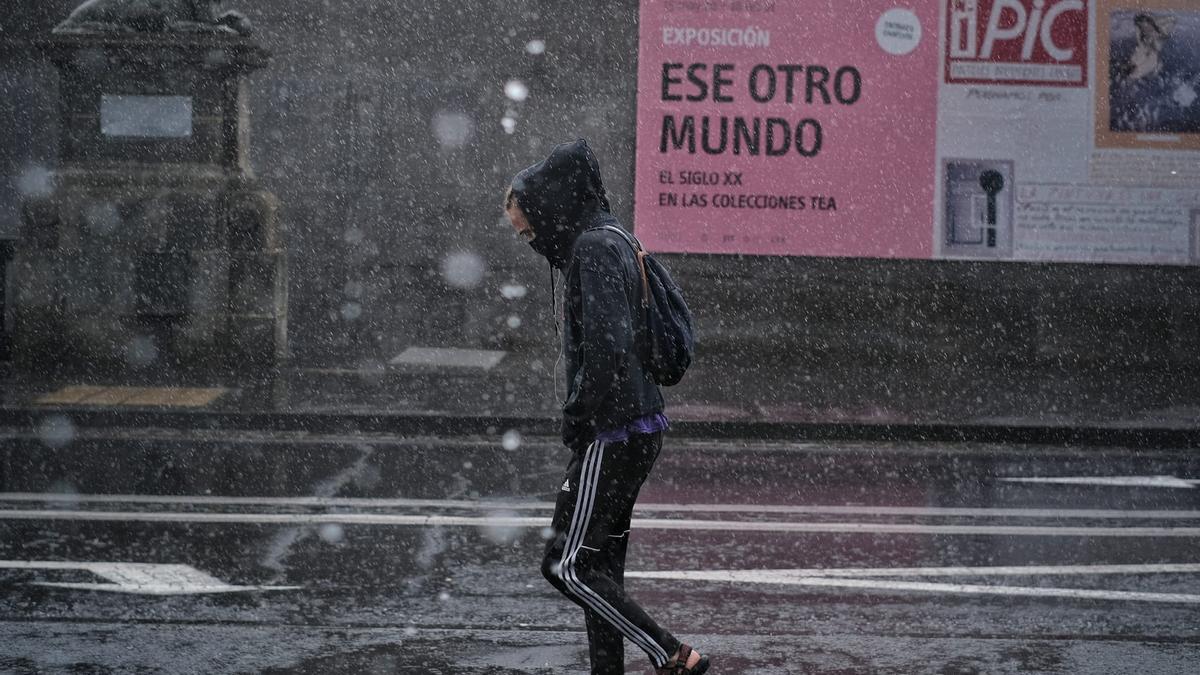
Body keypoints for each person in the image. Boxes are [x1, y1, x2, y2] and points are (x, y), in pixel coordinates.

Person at [504, 139, 709, 675]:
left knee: (565, 565)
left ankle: (671, 654)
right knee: (601, 565)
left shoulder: (592, 249)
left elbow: (606, 349)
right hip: (640, 424)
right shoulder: (616, 235)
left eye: (528, 228)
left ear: (552, 206)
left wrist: (577, 418)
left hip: (613, 429)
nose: (531, 241)